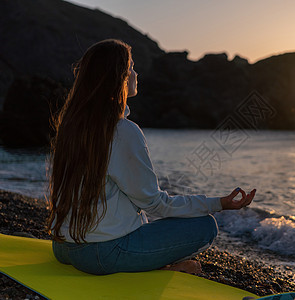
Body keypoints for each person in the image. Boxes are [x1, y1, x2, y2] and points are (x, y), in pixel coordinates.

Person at [47, 39, 256, 276]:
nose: (136, 73)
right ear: (119, 78)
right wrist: (218, 203)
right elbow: (155, 204)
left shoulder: (71, 127)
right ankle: (162, 268)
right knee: (205, 225)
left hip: (64, 247)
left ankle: (154, 264)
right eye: (131, 67)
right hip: (100, 255)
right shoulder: (121, 131)